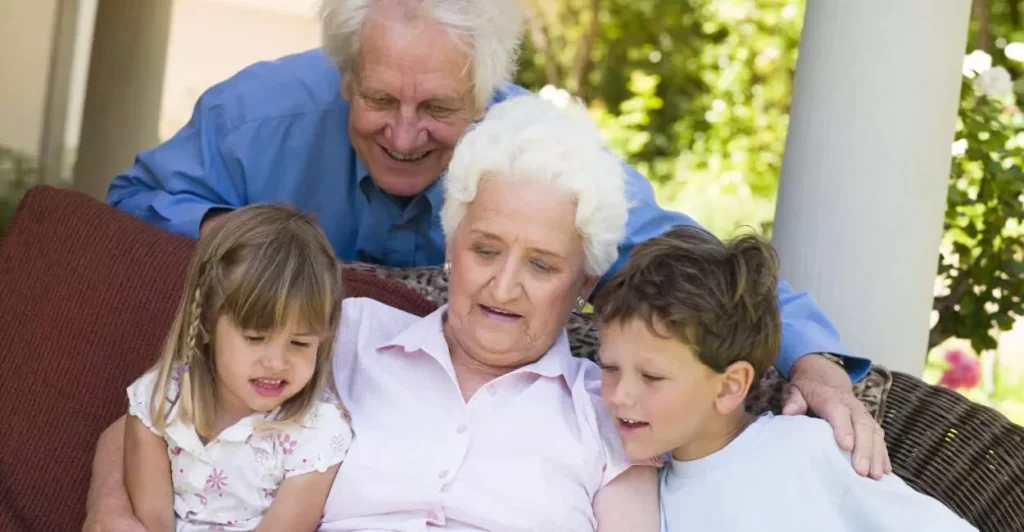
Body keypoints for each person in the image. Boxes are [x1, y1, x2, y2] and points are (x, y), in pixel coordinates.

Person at [103, 0, 888, 476]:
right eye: (379, 99)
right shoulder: (257, 116)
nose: (405, 135)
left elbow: (690, 267)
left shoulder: (532, 160)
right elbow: (135, 198)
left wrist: (812, 360)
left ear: (486, 94)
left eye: (439, 109)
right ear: (345, 76)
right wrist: (250, 250)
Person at [90, 94, 660, 532]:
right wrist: (110, 514)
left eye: (541, 266)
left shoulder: (608, 412)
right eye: (485, 249)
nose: (503, 285)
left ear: (584, 283)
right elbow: (153, 417)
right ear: (450, 242)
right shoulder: (344, 337)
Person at [594, 226, 978, 532]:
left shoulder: (805, 451)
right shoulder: (649, 499)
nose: (620, 396)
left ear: (729, 386)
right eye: (609, 367)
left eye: (652, 376)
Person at [122, 205, 352, 530]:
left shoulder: (317, 434)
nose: (276, 362)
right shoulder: (158, 401)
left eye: (300, 343)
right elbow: (151, 521)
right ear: (204, 325)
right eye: (255, 338)